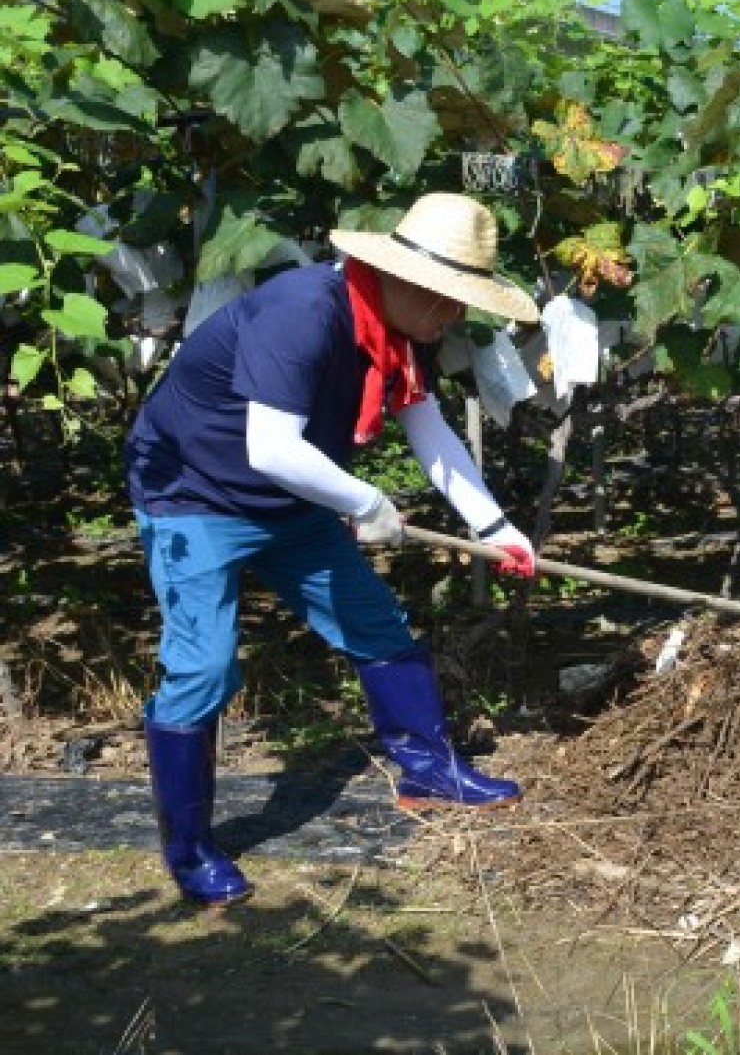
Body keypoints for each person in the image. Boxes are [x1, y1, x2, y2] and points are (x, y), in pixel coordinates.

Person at [124, 192, 542, 907]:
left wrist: (493, 527)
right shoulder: (305, 312)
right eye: (446, 297)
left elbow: (427, 428)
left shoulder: (399, 333)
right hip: (193, 491)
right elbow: (271, 448)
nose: (452, 315)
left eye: (460, 301)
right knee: (203, 666)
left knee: (374, 623)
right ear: (398, 275)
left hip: (291, 496)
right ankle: (189, 849)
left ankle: (428, 773)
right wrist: (368, 502)